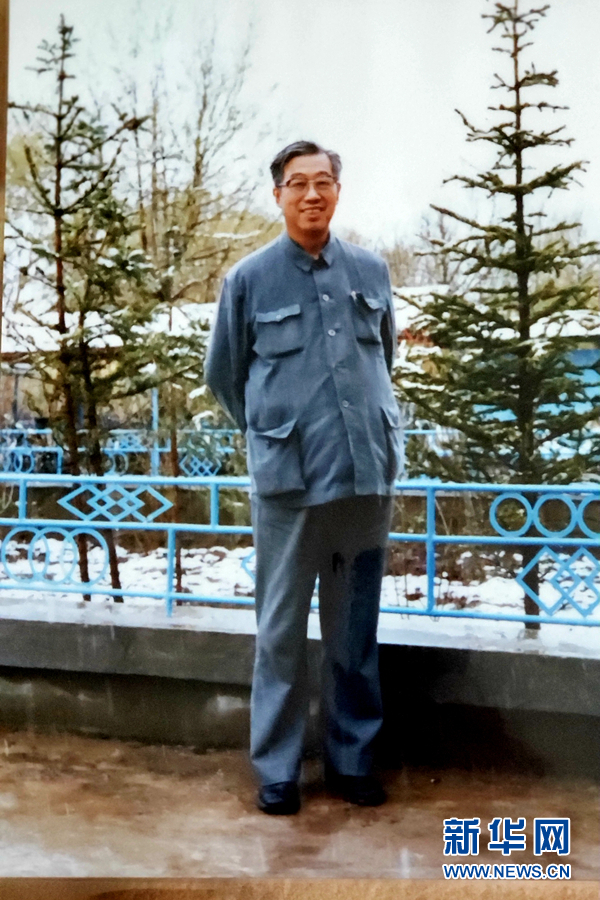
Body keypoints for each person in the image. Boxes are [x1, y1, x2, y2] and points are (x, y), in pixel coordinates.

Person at [205, 140, 401, 815]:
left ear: (338, 191)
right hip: (288, 488)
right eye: (298, 183)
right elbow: (225, 376)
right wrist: (275, 432)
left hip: (362, 480)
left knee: (354, 633)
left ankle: (352, 762)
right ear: (278, 195)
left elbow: (384, 361)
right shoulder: (249, 280)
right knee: (281, 633)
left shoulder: (371, 271)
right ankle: (279, 771)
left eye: (324, 182)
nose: (312, 194)